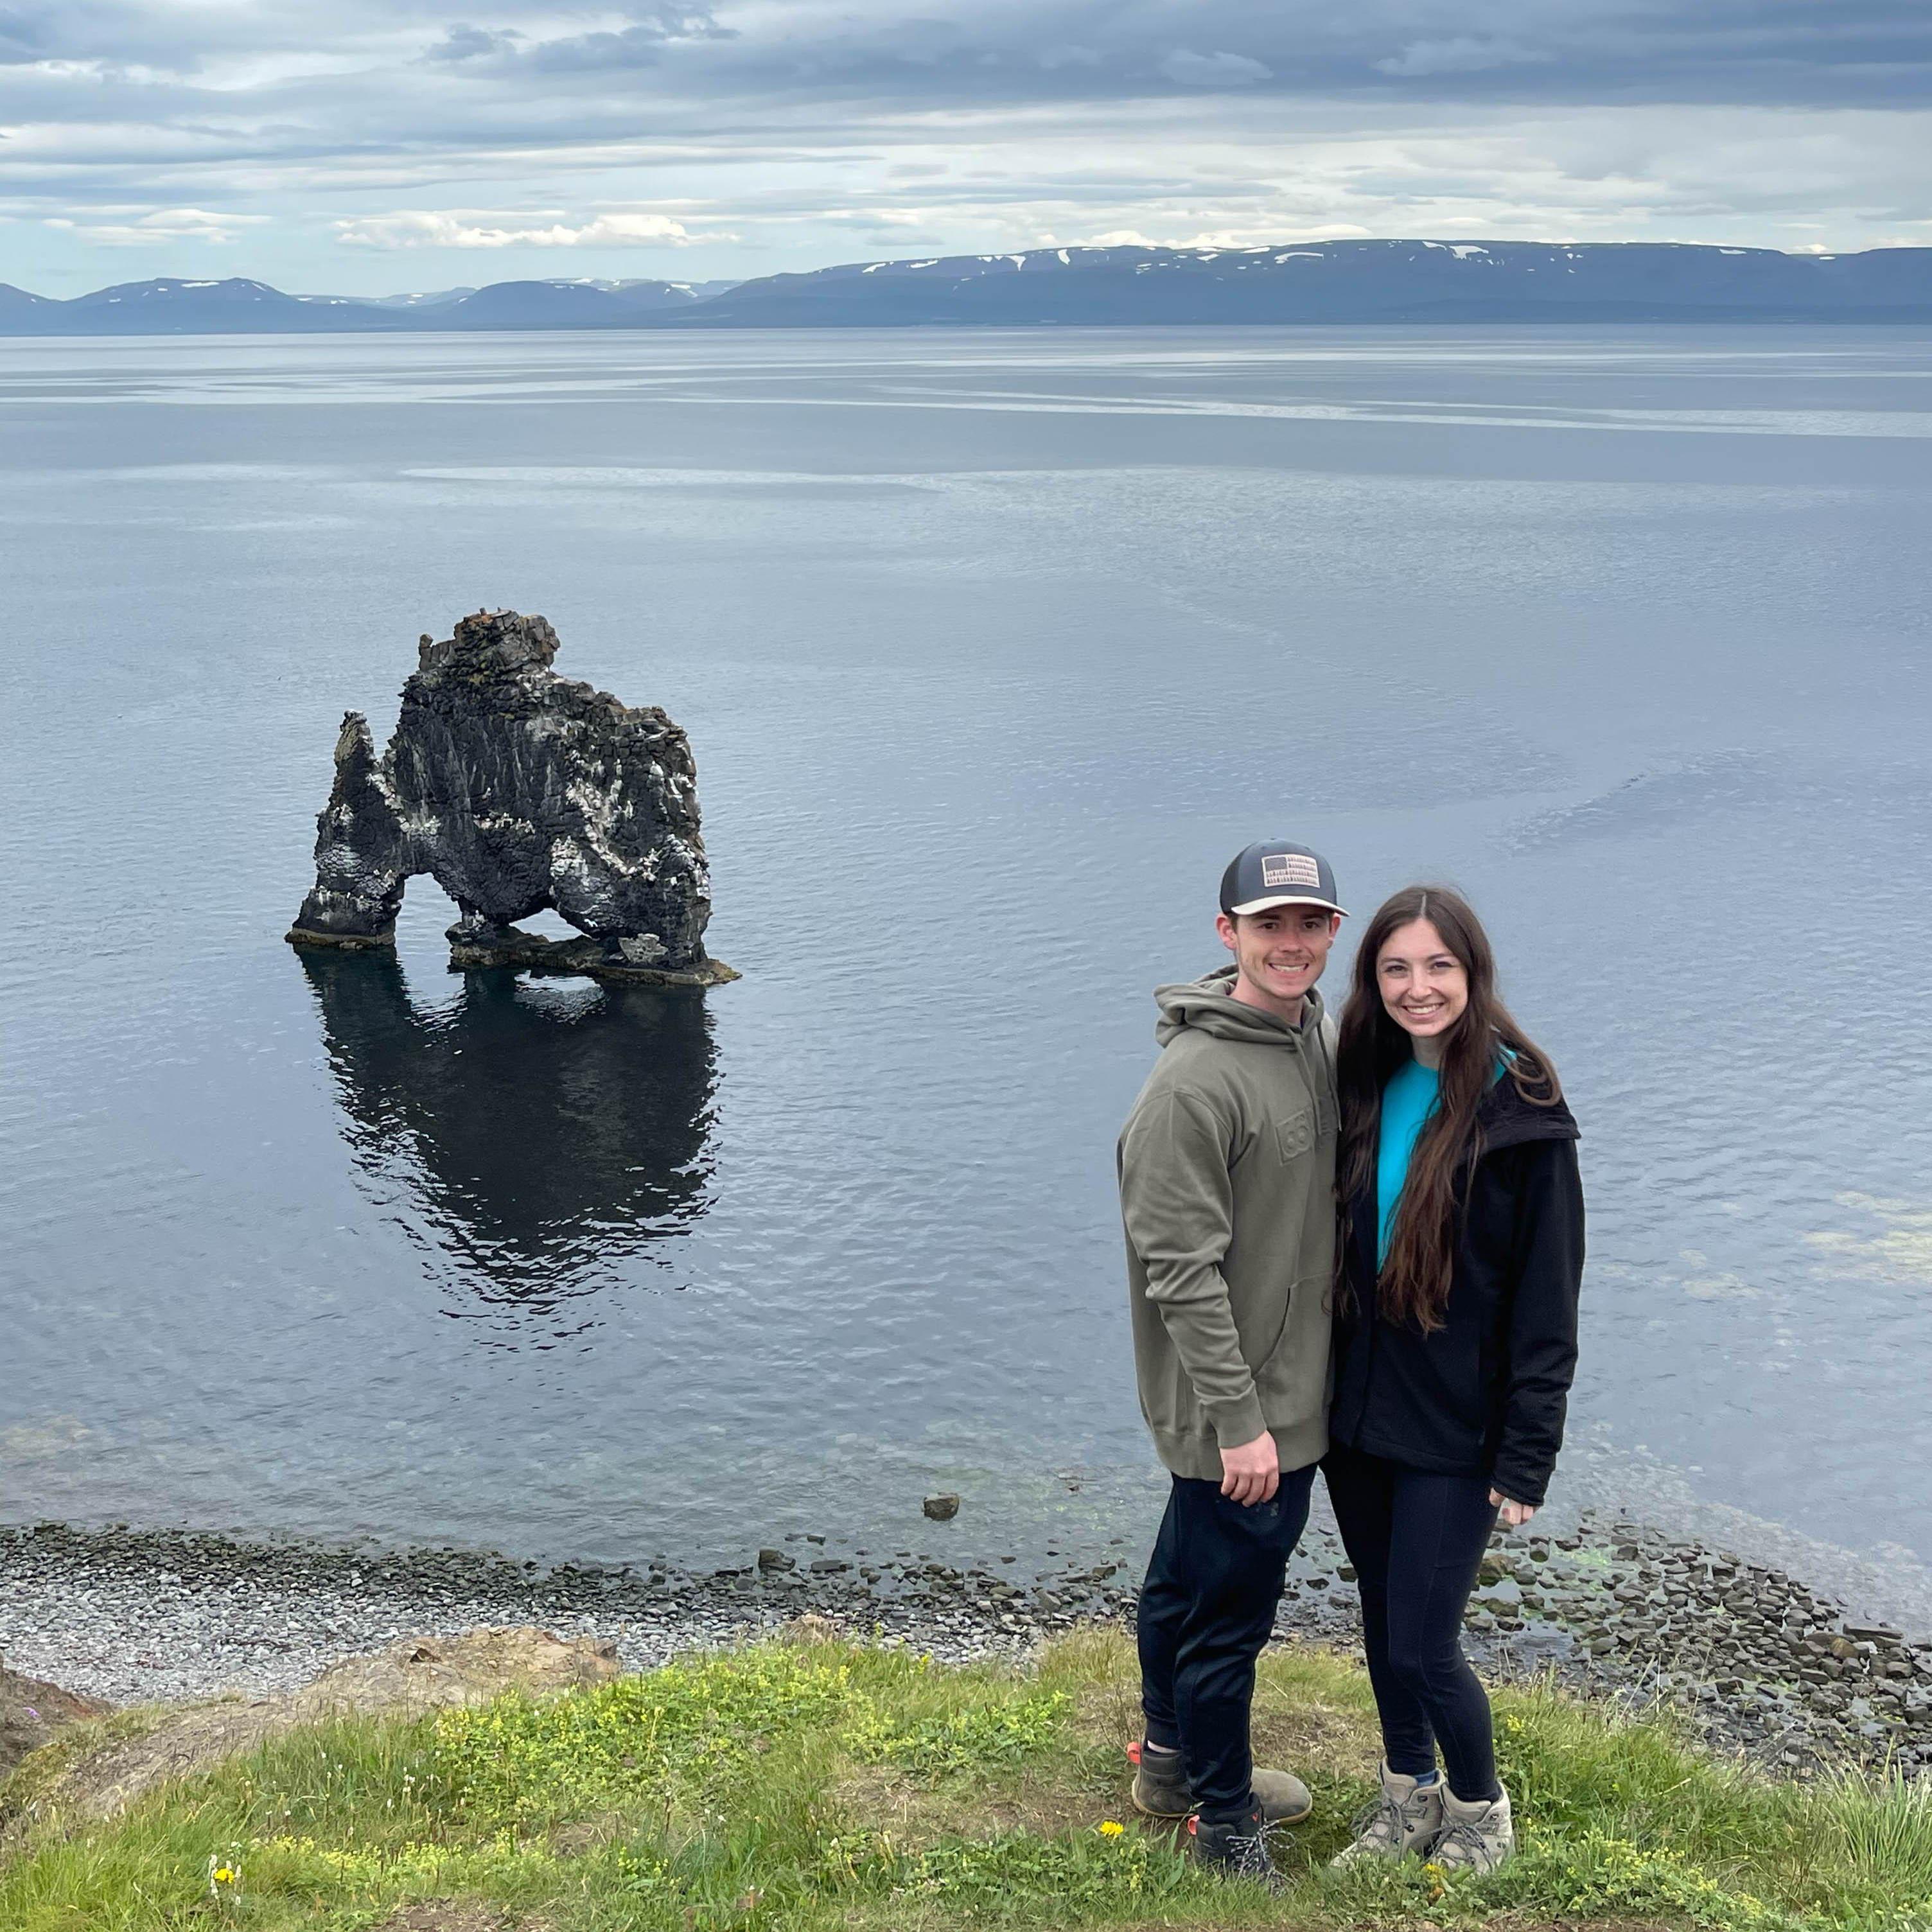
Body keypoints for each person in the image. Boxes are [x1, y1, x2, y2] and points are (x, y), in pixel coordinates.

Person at [1324, 884, 1583, 1875]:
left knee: (1429, 1646)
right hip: (1358, 1419)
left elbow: (1547, 1301)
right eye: (1397, 968)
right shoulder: (1364, 1077)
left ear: (1472, 973)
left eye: (1439, 966)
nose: (1418, 987)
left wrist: (1528, 1454)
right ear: (1374, 980)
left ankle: (1481, 1814)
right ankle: (1407, 1799)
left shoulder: (1523, 1105)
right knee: (1384, 1626)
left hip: (1458, 1431)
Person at [1117, 841, 1346, 1890]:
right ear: (1229, 935)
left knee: (1181, 1576)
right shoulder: (1193, 1084)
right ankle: (1222, 1819)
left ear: (1333, 933)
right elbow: (1180, 1269)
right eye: (1269, 925)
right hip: (1246, 1408)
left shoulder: (1313, 1037)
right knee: (1231, 1618)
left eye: (1310, 924)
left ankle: (1168, 1763)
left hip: (1282, 1384)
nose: (1290, 943)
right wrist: (1241, 1421)